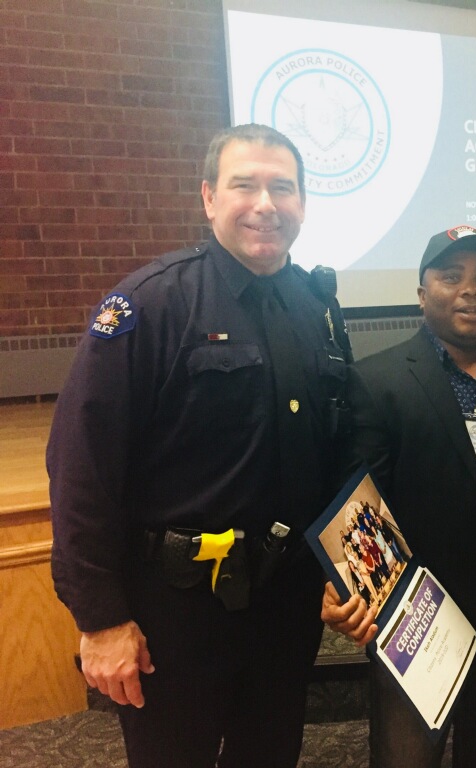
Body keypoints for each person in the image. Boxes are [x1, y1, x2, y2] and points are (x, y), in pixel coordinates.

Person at [47, 123, 364, 767]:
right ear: (209, 197)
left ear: (303, 203)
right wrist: (100, 619)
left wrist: (347, 571)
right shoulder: (152, 304)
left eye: (283, 188)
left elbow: (337, 452)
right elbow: (82, 468)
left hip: (283, 606)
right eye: (244, 185)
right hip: (175, 612)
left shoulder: (318, 310)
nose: (265, 204)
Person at [322, 226, 476, 768]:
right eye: (451, 276)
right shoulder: (378, 380)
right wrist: (355, 594)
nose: (471, 289)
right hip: (417, 625)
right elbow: (362, 505)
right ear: (421, 293)